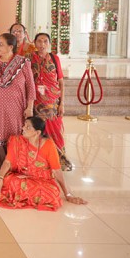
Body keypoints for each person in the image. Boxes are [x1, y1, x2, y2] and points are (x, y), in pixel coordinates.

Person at [0, 117, 87, 211]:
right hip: (20, 176)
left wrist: (68, 195)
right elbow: (7, 162)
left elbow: (57, 171)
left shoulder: (48, 145)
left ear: (37, 133)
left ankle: (19, 195)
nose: (23, 128)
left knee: (53, 193)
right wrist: (0, 178)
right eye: (24, 125)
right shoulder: (17, 141)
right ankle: (28, 196)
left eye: (28, 127)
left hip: (41, 180)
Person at [0, 33, 35, 171]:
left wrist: (30, 108)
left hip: (15, 108)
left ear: (11, 47)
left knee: (13, 134)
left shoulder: (23, 63)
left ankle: (14, 166)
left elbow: (30, 86)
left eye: (0, 44)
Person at [31, 33, 72, 170]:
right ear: (35, 43)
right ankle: (42, 160)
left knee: (55, 130)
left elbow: (60, 81)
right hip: (36, 102)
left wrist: (62, 103)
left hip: (53, 102)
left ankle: (59, 160)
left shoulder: (55, 59)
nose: (42, 44)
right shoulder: (30, 58)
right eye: (39, 41)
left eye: (45, 41)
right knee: (39, 131)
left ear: (49, 44)